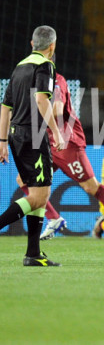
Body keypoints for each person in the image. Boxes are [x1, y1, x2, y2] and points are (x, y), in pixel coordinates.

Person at [16, 71, 104, 249]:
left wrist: (33, 112)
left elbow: (58, 109)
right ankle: (54, 218)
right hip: (48, 143)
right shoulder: (32, 81)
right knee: (24, 179)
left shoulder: (55, 80)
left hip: (66, 142)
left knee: (91, 186)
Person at [0, 26, 63, 266]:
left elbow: (5, 107)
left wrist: (2, 141)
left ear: (32, 43)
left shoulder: (19, 67)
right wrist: (56, 132)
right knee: (40, 195)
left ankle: (33, 254)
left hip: (16, 135)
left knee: (38, 193)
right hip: (33, 135)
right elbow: (41, 99)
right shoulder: (45, 65)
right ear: (52, 46)